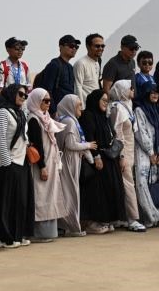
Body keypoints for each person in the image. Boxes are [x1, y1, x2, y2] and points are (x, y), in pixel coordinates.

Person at [0, 84, 34, 248]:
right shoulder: (2, 112)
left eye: (25, 95)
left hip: (22, 163)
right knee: (6, 202)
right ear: (12, 93)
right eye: (20, 94)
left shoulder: (20, 112)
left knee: (20, 202)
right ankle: (4, 237)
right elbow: (0, 140)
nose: (23, 97)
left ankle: (18, 235)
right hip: (10, 164)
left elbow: (25, 137)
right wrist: (7, 165)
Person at [79, 89, 126, 234]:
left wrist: (120, 156)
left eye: (107, 101)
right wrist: (96, 156)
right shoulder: (88, 116)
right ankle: (94, 222)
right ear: (95, 100)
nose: (106, 103)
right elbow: (89, 137)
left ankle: (108, 219)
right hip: (97, 159)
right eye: (103, 100)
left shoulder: (103, 117)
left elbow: (112, 136)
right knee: (98, 191)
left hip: (110, 158)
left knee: (112, 189)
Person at [26, 88, 67, 242]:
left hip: (51, 162)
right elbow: (36, 146)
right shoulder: (34, 120)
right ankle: (38, 233)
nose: (49, 104)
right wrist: (42, 166)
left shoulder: (45, 117)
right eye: (45, 100)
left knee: (50, 194)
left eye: (50, 100)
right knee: (41, 195)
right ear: (36, 101)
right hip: (41, 165)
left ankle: (49, 232)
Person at [55, 94, 97, 237]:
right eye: (79, 105)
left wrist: (89, 156)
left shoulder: (69, 120)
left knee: (70, 193)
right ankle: (72, 226)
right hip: (69, 161)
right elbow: (71, 144)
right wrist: (88, 145)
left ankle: (69, 225)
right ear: (71, 106)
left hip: (72, 160)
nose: (81, 108)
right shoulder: (69, 122)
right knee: (71, 193)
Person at [108, 80, 147, 232]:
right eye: (129, 88)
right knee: (128, 185)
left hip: (131, 153)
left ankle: (122, 217)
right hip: (123, 154)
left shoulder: (127, 106)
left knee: (126, 184)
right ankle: (133, 219)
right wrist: (122, 156)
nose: (132, 89)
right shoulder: (117, 108)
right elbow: (118, 134)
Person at [132, 81, 159, 227]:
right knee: (143, 183)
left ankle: (158, 215)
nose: (155, 95)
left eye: (157, 92)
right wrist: (151, 152)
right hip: (144, 153)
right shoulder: (140, 110)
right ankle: (150, 216)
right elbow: (141, 132)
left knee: (158, 182)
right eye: (152, 92)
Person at [36, 35, 79, 115]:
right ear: (61, 47)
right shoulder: (54, 65)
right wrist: (53, 110)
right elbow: (47, 90)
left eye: (76, 47)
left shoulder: (70, 67)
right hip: (56, 112)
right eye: (71, 46)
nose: (74, 49)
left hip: (67, 111)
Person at [74, 33, 104, 107]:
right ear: (88, 47)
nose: (100, 48)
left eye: (102, 46)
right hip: (86, 107)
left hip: (97, 106)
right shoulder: (81, 63)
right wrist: (81, 107)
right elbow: (78, 86)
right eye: (97, 46)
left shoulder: (98, 62)